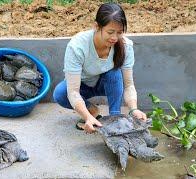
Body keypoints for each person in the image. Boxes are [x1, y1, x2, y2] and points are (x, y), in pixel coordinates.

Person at [53, 2, 146, 133]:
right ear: (97, 26)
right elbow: (73, 92)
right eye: (110, 32)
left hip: (108, 84)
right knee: (60, 93)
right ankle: (92, 111)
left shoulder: (126, 46)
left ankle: (115, 117)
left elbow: (129, 85)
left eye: (119, 32)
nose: (115, 37)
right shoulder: (78, 46)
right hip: (83, 86)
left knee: (114, 72)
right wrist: (87, 117)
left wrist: (133, 109)